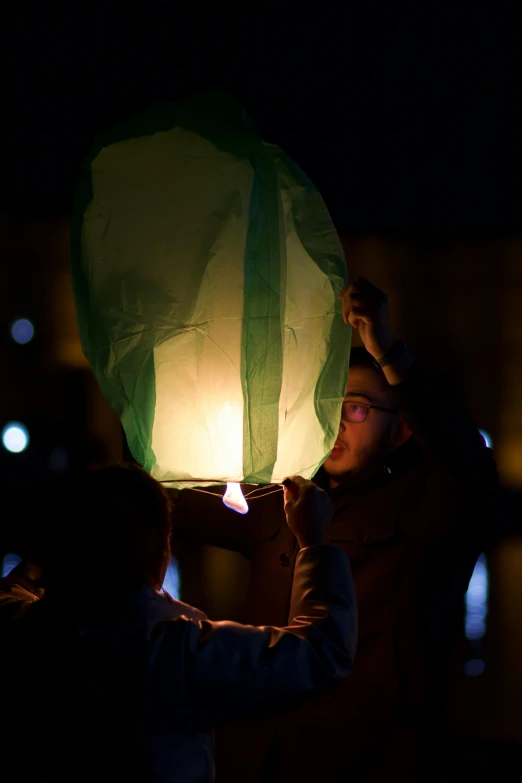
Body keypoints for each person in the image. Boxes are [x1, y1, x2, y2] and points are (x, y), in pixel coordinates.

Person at [172, 277, 501, 782]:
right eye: (326, 405)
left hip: (366, 761)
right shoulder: (277, 497)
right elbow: (169, 494)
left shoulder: (425, 509)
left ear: (401, 430)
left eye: (356, 408)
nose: (336, 423)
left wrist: (390, 355)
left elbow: (471, 470)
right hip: (256, 756)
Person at [0, 463, 357, 783]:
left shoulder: (23, 625)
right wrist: (314, 543)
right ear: (161, 552)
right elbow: (320, 655)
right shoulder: (174, 651)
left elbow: (14, 590)